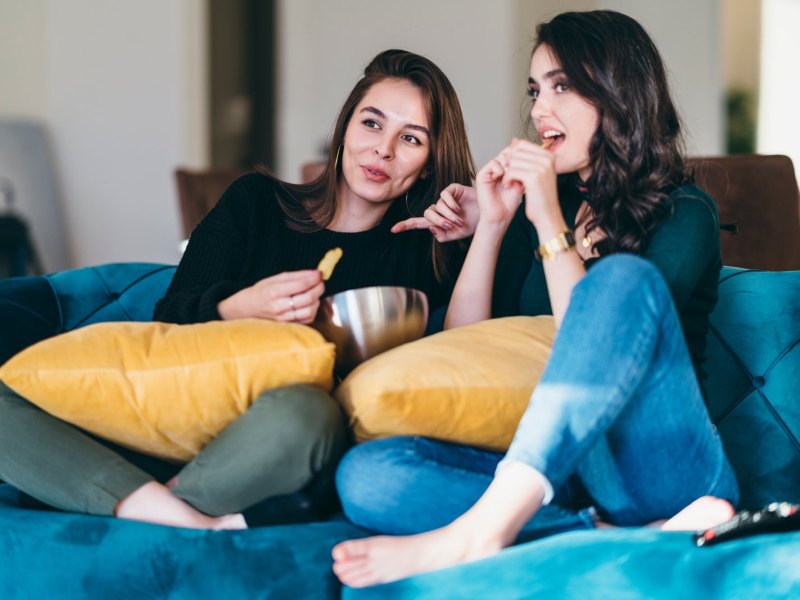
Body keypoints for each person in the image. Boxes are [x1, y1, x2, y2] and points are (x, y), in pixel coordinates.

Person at [331, 11, 739, 587]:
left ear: (618, 93)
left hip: (660, 464)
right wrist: (494, 225)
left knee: (620, 281)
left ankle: (488, 529)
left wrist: (547, 217)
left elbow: (593, 355)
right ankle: (610, 535)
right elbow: (465, 346)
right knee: (367, 475)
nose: (539, 110)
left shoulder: (685, 211)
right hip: (563, 478)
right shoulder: (539, 208)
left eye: (562, 86)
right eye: (535, 89)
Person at [0, 49, 474, 530]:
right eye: (371, 123)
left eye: (411, 138)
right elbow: (167, 323)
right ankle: (188, 520)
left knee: (309, 413)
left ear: (432, 162)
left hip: (273, 444)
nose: (384, 149)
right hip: (173, 417)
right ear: (345, 127)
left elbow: (464, 359)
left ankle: (121, 499)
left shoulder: (427, 249)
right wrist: (239, 307)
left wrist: (489, 225)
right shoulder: (255, 202)